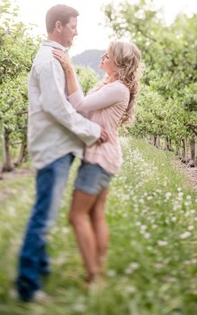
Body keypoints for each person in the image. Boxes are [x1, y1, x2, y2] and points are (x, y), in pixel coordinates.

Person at [15, 4, 107, 303]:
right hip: (53, 148)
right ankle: (27, 285)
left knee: (46, 212)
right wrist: (92, 132)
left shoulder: (57, 57)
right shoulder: (49, 60)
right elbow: (58, 108)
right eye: (73, 26)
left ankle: (39, 269)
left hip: (58, 147)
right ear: (58, 26)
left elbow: (70, 99)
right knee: (43, 216)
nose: (76, 31)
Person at [52, 40, 142, 287]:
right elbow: (83, 106)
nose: (103, 56)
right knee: (95, 214)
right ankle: (97, 269)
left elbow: (79, 104)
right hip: (104, 154)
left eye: (108, 55)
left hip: (100, 157)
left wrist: (69, 69)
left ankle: (93, 276)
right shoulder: (109, 83)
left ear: (119, 63)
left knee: (76, 215)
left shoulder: (118, 89)